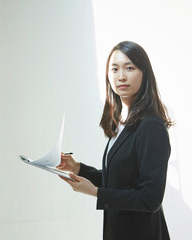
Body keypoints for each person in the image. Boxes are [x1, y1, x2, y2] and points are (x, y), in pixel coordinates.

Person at [57, 41, 174, 240]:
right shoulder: (122, 123)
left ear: (144, 73)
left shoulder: (151, 126)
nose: (121, 76)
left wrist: (96, 193)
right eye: (115, 69)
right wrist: (78, 169)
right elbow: (121, 180)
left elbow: (150, 198)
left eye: (129, 68)